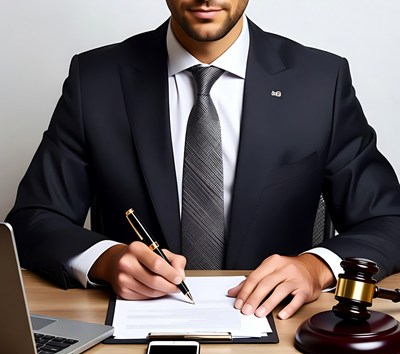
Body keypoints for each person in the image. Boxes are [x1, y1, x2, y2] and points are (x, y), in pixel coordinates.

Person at [6, 0, 400, 320]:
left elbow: (389, 220)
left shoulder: (321, 81)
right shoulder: (94, 78)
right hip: (132, 328)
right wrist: (107, 261)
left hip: (279, 331)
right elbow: (33, 219)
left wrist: (315, 268)